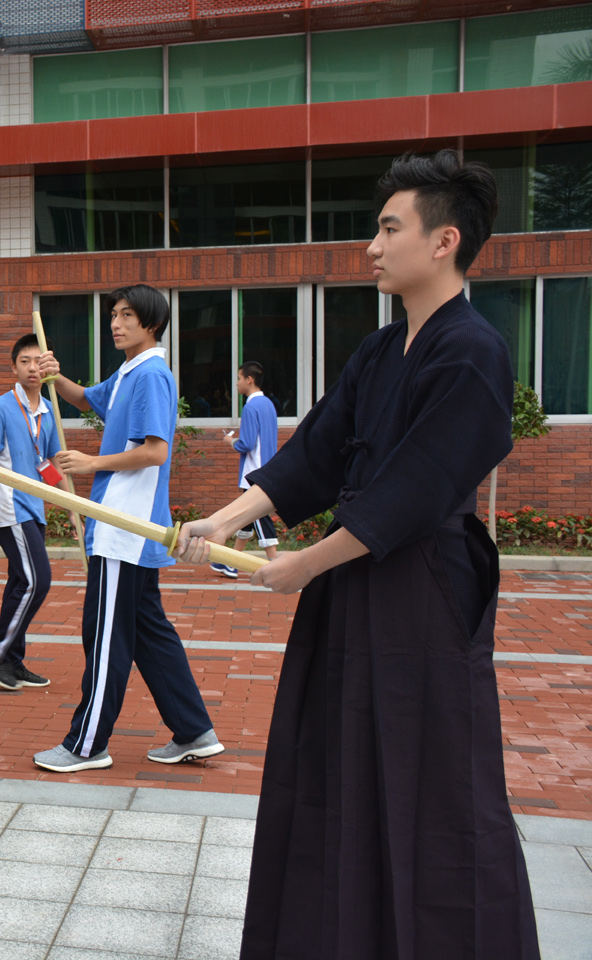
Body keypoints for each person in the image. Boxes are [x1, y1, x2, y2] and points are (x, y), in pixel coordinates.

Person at [176, 151, 539, 958]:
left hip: (424, 595)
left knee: (433, 785)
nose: (372, 247)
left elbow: (416, 489)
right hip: (351, 588)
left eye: (388, 229)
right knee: (333, 768)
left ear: (444, 240)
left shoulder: (472, 351)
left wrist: (304, 565)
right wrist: (225, 520)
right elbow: (317, 454)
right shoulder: (378, 351)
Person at [31, 285, 224, 773]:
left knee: (105, 637)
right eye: (114, 315)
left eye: (127, 316)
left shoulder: (152, 375)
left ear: (151, 324)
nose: (116, 324)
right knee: (149, 633)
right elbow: (86, 400)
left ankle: (87, 745)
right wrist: (56, 376)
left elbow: (155, 451)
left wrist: (91, 461)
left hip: (124, 527)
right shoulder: (129, 372)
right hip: (123, 528)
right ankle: (194, 731)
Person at [0, 333, 60, 690]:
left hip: (34, 508)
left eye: (38, 361)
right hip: (10, 506)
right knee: (37, 580)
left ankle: (12, 661)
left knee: (20, 582)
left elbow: (49, 464)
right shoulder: (1, 408)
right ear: (14, 367)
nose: (32, 368)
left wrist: (70, 506)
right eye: (24, 361)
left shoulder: (48, 411)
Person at [210, 361, 280, 578]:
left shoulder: (250, 407)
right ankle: (231, 562)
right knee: (246, 519)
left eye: (239, 379)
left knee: (257, 517)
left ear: (249, 380)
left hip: (253, 473)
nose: (237, 383)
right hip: (267, 469)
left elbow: (246, 444)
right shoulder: (269, 404)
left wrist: (230, 441)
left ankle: (276, 564)